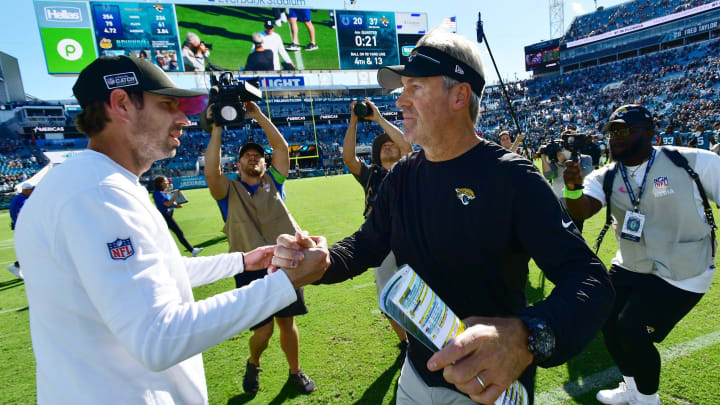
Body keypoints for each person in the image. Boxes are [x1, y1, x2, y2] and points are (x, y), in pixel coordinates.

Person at [272, 30, 614, 405]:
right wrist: (323, 260)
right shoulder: (402, 175)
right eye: (402, 87)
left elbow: (591, 281)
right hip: (417, 375)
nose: (400, 100)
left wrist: (524, 336)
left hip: (488, 387)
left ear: (459, 95)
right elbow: (367, 244)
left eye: (415, 87)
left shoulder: (512, 177)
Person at [13, 55, 328, 404]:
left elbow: (152, 272)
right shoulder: (99, 194)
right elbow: (158, 338)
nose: (183, 119)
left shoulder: (94, 183)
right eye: (167, 105)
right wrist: (284, 283)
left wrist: (241, 261)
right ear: (121, 104)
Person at [563, 104, 720, 405]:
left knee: (631, 327)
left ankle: (648, 400)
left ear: (650, 132)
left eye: (624, 129)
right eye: (610, 131)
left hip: (684, 267)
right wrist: (572, 188)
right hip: (633, 262)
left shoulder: (694, 161)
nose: (614, 137)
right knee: (605, 319)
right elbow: (583, 209)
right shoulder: (605, 175)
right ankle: (631, 387)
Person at [203, 101, 316, 395]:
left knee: (287, 323)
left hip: (284, 262)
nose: (253, 158)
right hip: (250, 267)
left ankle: (295, 372)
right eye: (247, 156)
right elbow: (211, 172)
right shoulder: (227, 191)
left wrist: (258, 115)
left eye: (258, 156)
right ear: (237, 164)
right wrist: (217, 127)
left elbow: (280, 147)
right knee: (263, 331)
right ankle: (254, 362)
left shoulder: (274, 182)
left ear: (264, 164)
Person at [342, 98, 413, 351]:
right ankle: (404, 342)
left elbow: (408, 146)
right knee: (389, 297)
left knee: (420, 291)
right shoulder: (371, 174)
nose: (389, 146)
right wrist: (353, 121)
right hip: (381, 241)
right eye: (383, 146)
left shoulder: (409, 168)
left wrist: (379, 118)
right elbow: (349, 158)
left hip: (412, 238)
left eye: (392, 144)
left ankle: (422, 339)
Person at [540, 130, 593, 231]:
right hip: (558, 200)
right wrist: (543, 157)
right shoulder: (555, 159)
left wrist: (564, 162)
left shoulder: (586, 158)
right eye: (566, 139)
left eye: (572, 139)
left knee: (577, 233)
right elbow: (549, 175)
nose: (570, 142)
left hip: (576, 201)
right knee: (559, 235)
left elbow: (583, 174)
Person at [152, 175, 203, 257]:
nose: (167, 183)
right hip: (164, 217)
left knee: (169, 235)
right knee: (178, 232)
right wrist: (175, 195)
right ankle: (192, 250)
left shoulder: (164, 193)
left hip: (168, 216)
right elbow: (167, 203)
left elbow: (170, 203)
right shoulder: (158, 194)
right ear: (160, 183)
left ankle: (191, 250)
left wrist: (177, 205)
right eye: (165, 181)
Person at [6, 182, 33, 279]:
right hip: (23, 228)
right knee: (31, 249)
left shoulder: (20, 198)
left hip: (22, 227)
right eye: (31, 190)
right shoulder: (21, 200)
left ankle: (18, 266)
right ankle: (16, 266)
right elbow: (20, 215)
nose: (32, 192)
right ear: (26, 190)